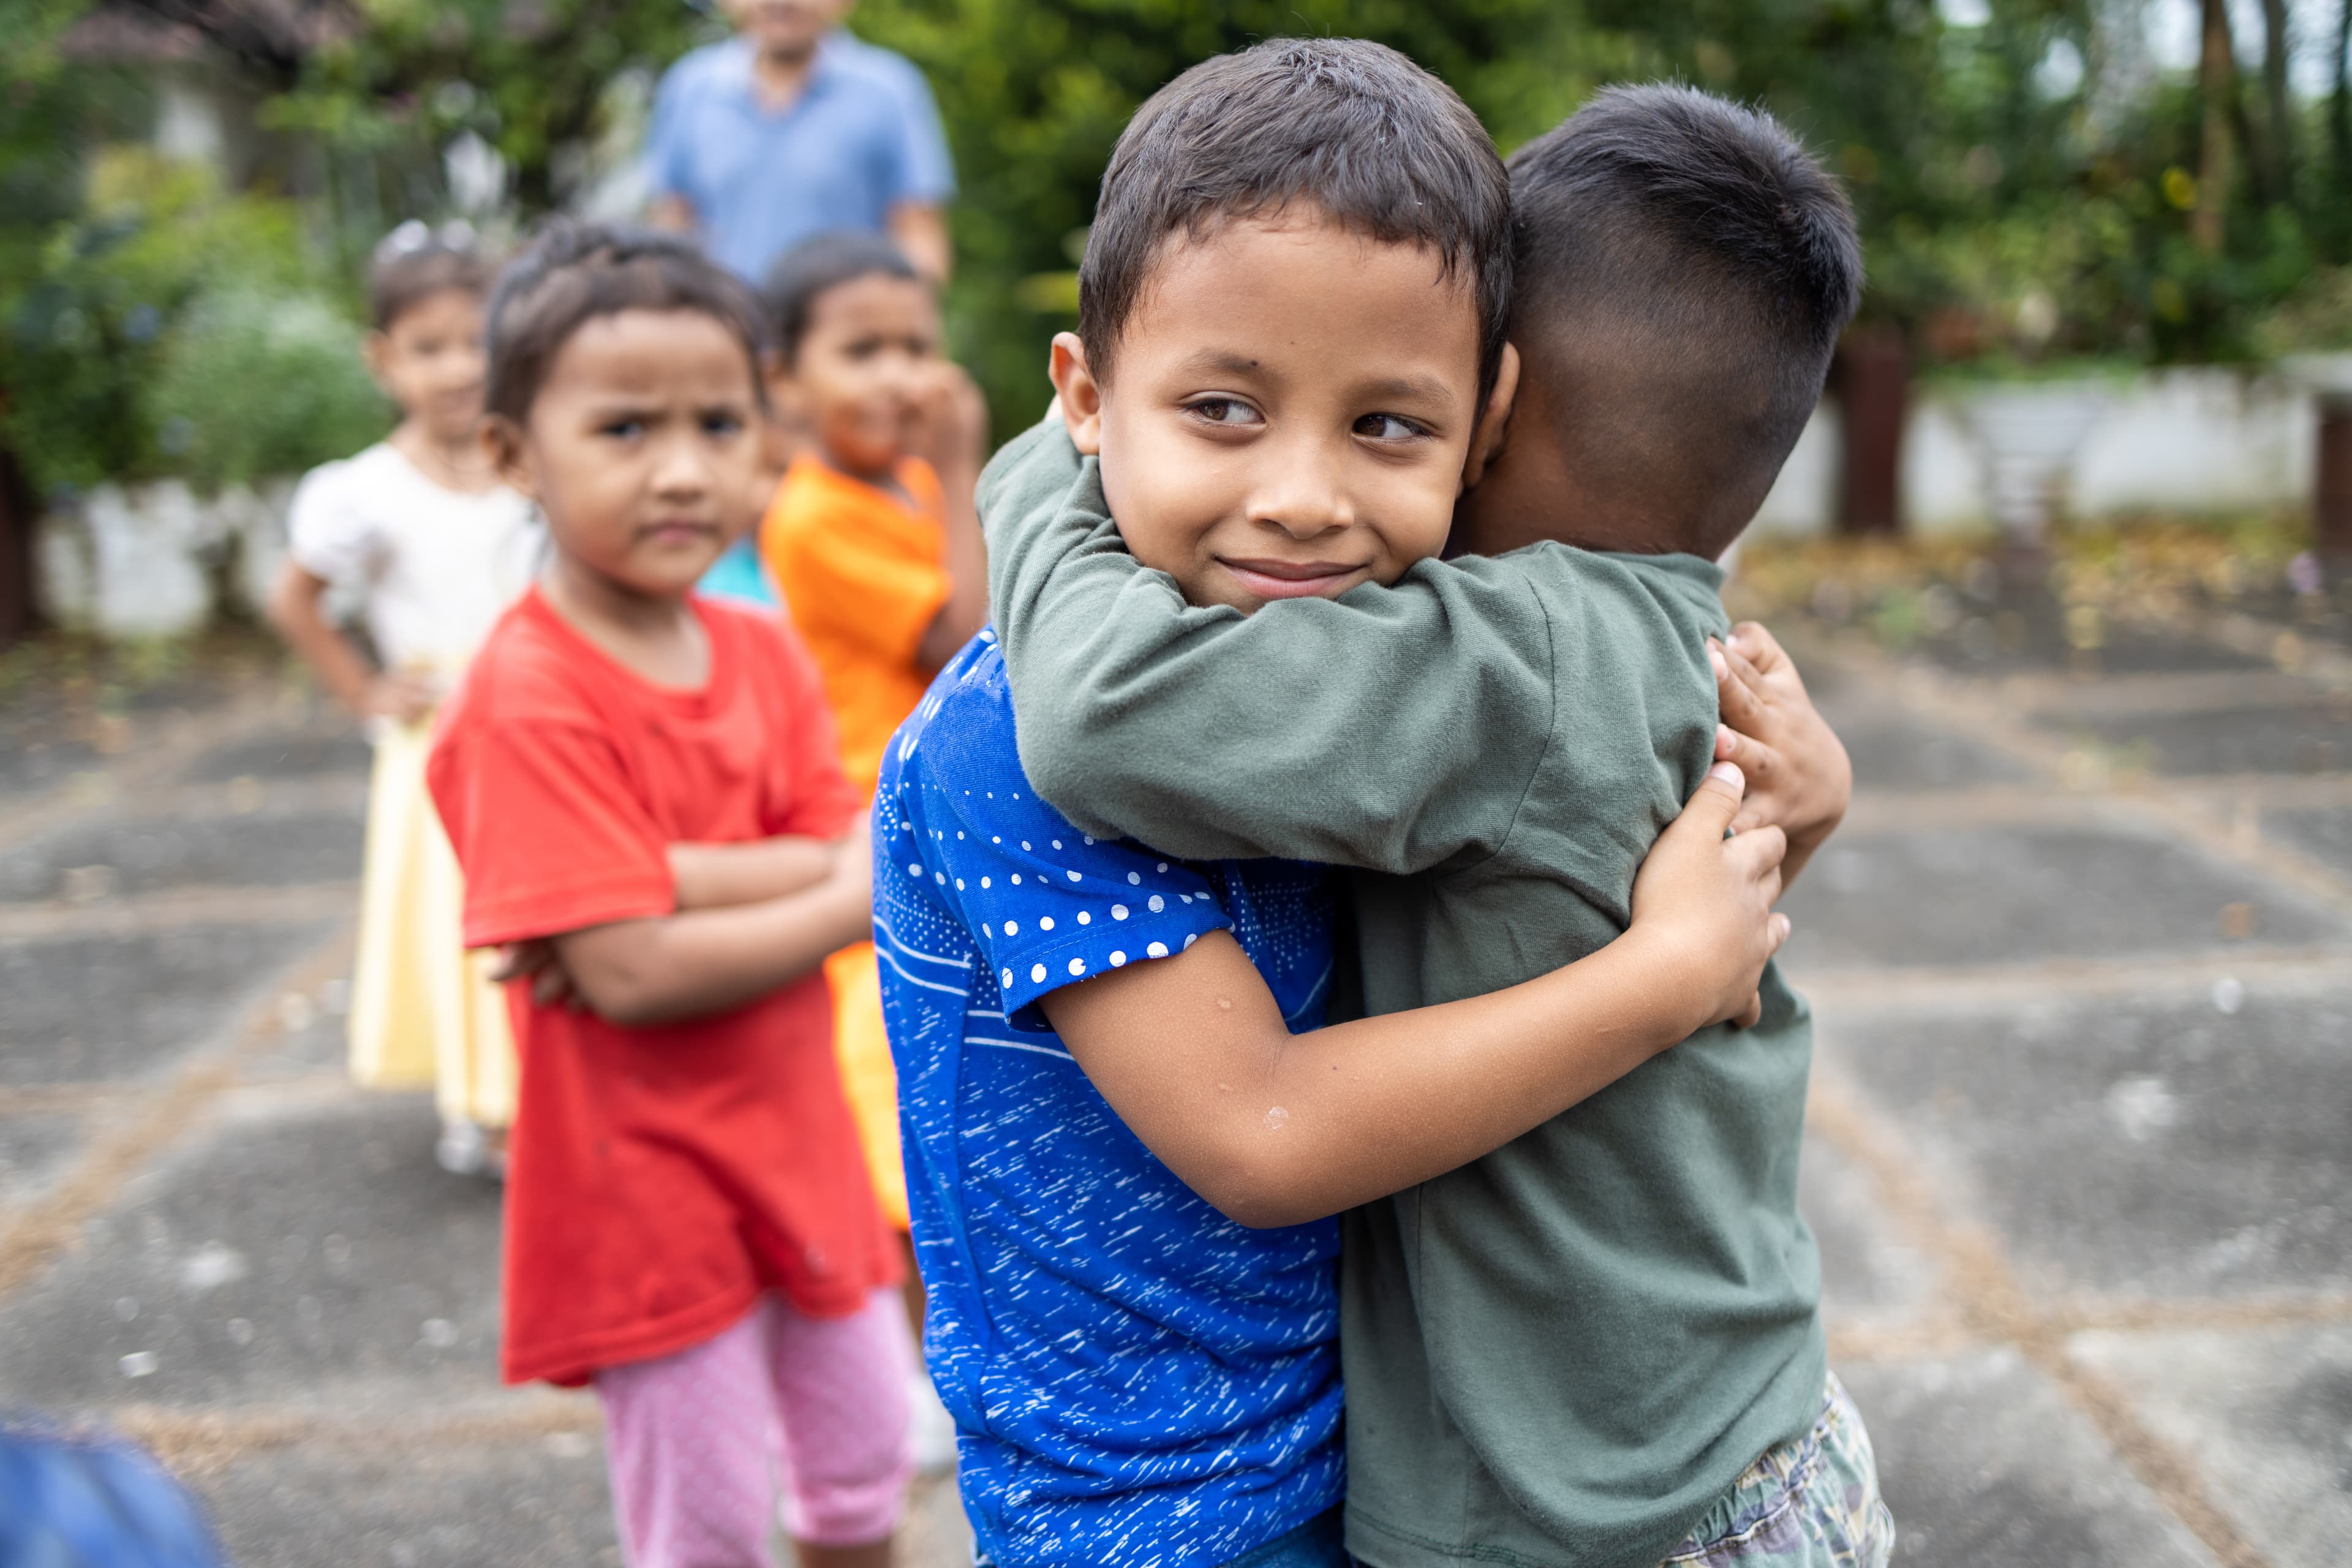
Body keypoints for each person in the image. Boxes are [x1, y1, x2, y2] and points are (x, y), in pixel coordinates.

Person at [874, 42, 1802, 1568]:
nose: (1303, 496)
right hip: (1155, 1509)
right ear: (1088, 396)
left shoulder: (1357, 670)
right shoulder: (1011, 749)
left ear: (1485, 423)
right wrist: (1657, 980)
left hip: (1359, 1451)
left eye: (1384, 427)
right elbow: (1260, 1126)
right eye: (1225, 409)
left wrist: (1790, 808)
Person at [426, 222, 910, 1568]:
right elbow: (636, 974)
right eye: (627, 428)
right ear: (516, 455)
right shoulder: (527, 694)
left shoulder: (759, 651)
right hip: (641, 1194)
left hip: (801, 1150)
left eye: (720, 422)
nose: (686, 469)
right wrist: (827, 894)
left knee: (866, 1474)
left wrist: (643, 883)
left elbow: (822, 840)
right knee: (704, 1531)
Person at [752, 233, 986, 1455]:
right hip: (867, 842)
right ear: (784, 379)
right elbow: (967, 635)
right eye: (862, 350)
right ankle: (909, 1366)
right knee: (891, 1109)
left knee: (934, 1097)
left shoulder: (893, 489)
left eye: (913, 344)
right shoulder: (813, 516)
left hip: (925, 828)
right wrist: (962, 466)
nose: (898, 374)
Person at [266, 221, 537, 1178]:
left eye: (475, 342)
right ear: (383, 360)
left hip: (537, 729)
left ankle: (534, 1083)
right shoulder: (365, 491)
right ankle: (484, 1101)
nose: (458, 368)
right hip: (437, 739)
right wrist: (367, 692)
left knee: (536, 909)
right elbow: (294, 597)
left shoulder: (530, 468)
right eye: (429, 350)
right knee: (459, 920)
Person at [644, 0, 953, 286]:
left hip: (841, 332)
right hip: (726, 332)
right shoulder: (690, 88)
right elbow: (672, 226)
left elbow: (919, 238)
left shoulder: (889, 90)